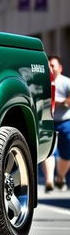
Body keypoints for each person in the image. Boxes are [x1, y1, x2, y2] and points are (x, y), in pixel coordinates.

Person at [48, 55, 70, 192]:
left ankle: (60, 177)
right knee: (48, 153)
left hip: (65, 122)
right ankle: (49, 180)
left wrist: (59, 101)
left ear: (60, 68)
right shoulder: (44, 82)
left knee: (66, 153)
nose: (50, 68)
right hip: (49, 122)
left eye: (53, 65)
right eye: (48, 65)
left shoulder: (66, 82)